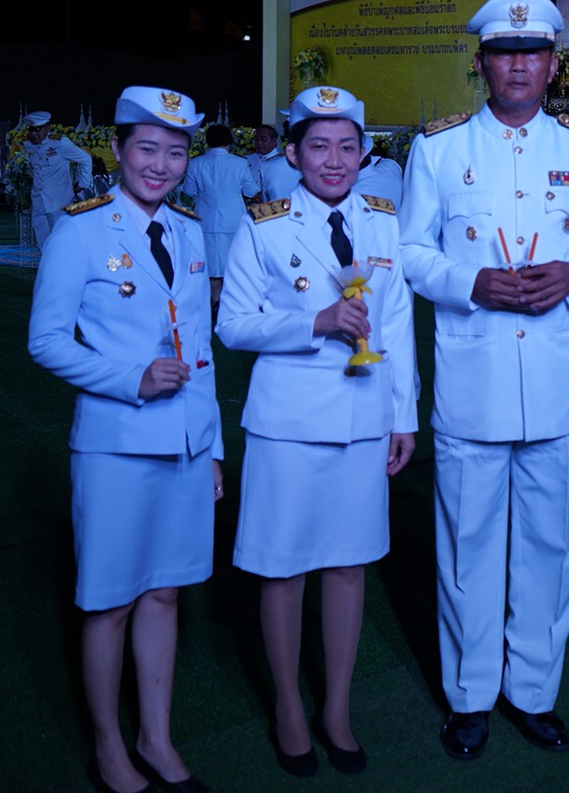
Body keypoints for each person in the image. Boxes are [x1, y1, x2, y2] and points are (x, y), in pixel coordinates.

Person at [400, 0, 569, 759]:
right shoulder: (437, 149)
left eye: (531, 53)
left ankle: (532, 691)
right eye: (503, 52)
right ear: (482, 63)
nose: (518, 65)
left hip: (559, 385)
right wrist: (472, 283)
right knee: (466, 543)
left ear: (553, 65)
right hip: (474, 379)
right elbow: (410, 253)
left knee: (552, 548)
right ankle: (469, 695)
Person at [218, 86, 417, 777]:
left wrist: (405, 416)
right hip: (289, 425)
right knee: (283, 567)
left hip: (366, 417)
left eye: (347, 145)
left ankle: (336, 707)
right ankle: (289, 708)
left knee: (348, 564)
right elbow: (233, 324)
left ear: (365, 153)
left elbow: (398, 328)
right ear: (294, 153)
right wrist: (314, 323)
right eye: (318, 145)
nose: (334, 160)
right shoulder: (265, 226)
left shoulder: (387, 222)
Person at [27, 87, 222, 793]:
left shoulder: (192, 231)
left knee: (166, 595)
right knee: (110, 600)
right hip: (114, 445)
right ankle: (110, 746)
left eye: (176, 152)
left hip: (187, 447)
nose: (161, 165)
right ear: (117, 149)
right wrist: (130, 378)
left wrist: (214, 448)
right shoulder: (80, 230)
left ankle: (157, 737)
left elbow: (199, 351)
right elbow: (45, 340)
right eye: (147, 148)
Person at [181, 123, 259, 311]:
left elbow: (188, 191)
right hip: (232, 219)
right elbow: (251, 191)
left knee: (209, 263)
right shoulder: (239, 163)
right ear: (229, 142)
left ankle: (212, 300)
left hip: (205, 219)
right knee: (233, 262)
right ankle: (227, 303)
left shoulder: (196, 163)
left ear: (207, 142)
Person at [21, 110, 94, 248]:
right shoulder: (27, 145)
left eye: (38, 129)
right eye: (31, 130)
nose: (34, 134)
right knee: (43, 243)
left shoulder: (60, 143)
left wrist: (83, 183)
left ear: (48, 128)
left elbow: (86, 159)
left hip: (60, 201)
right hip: (39, 201)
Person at [246, 124, 283, 198]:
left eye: (263, 139)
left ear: (274, 141)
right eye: (256, 139)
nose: (259, 142)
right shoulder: (247, 160)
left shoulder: (283, 162)